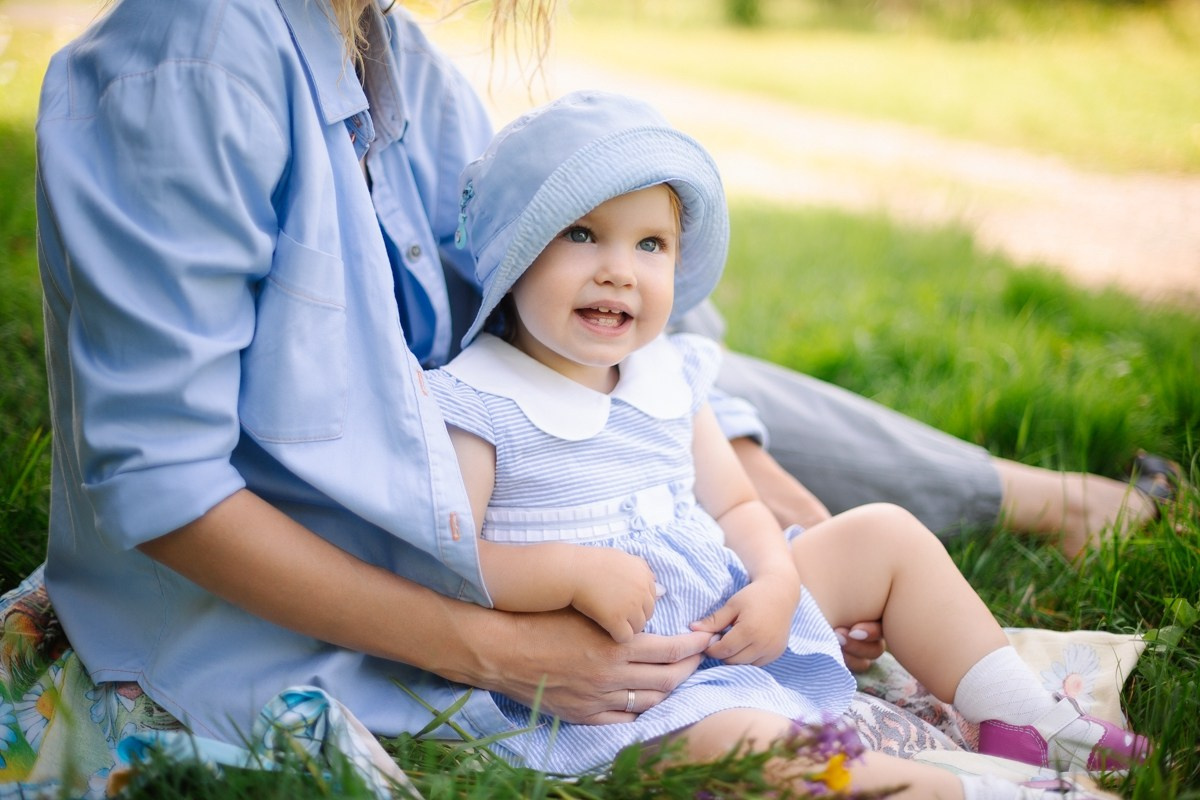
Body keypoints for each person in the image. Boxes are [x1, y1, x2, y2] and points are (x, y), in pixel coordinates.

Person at [30, 0, 1157, 753]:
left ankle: (1043, 580)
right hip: (350, 607)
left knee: (673, 369)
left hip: (621, 549)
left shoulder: (393, 55)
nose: (619, 262)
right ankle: (1047, 520)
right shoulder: (198, 63)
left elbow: (600, 309)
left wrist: (770, 529)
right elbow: (164, 484)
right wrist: (499, 650)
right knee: (625, 377)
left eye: (656, 242)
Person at [425, 89, 1149, 798]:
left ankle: (1024, 719)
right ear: (514, 254)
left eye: (651, 244)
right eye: (581, 234)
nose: (619, 269)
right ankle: (965, 792)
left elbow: (738, 505)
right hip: (627, 692)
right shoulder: (481, 401)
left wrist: (775, 582)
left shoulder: (665, 374)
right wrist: (566, 573)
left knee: (885, 535)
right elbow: (450, 560)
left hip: (725, 615)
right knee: (749, 748)